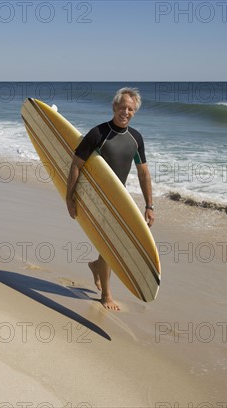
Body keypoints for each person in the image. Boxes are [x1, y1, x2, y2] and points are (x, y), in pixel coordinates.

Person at [65, 87, 155, 311]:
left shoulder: (135, 138)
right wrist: (70, 197)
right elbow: (76, 165)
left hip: (117, 199)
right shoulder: (98, 134)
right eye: (122, 107)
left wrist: (149, 205)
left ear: (135, 112)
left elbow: (143, 173)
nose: (126, 112)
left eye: (131, 109)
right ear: (114, 107)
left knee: (111, 245)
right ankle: (106, 295)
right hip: (96, 198)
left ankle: (97, 266)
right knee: (111, 246)